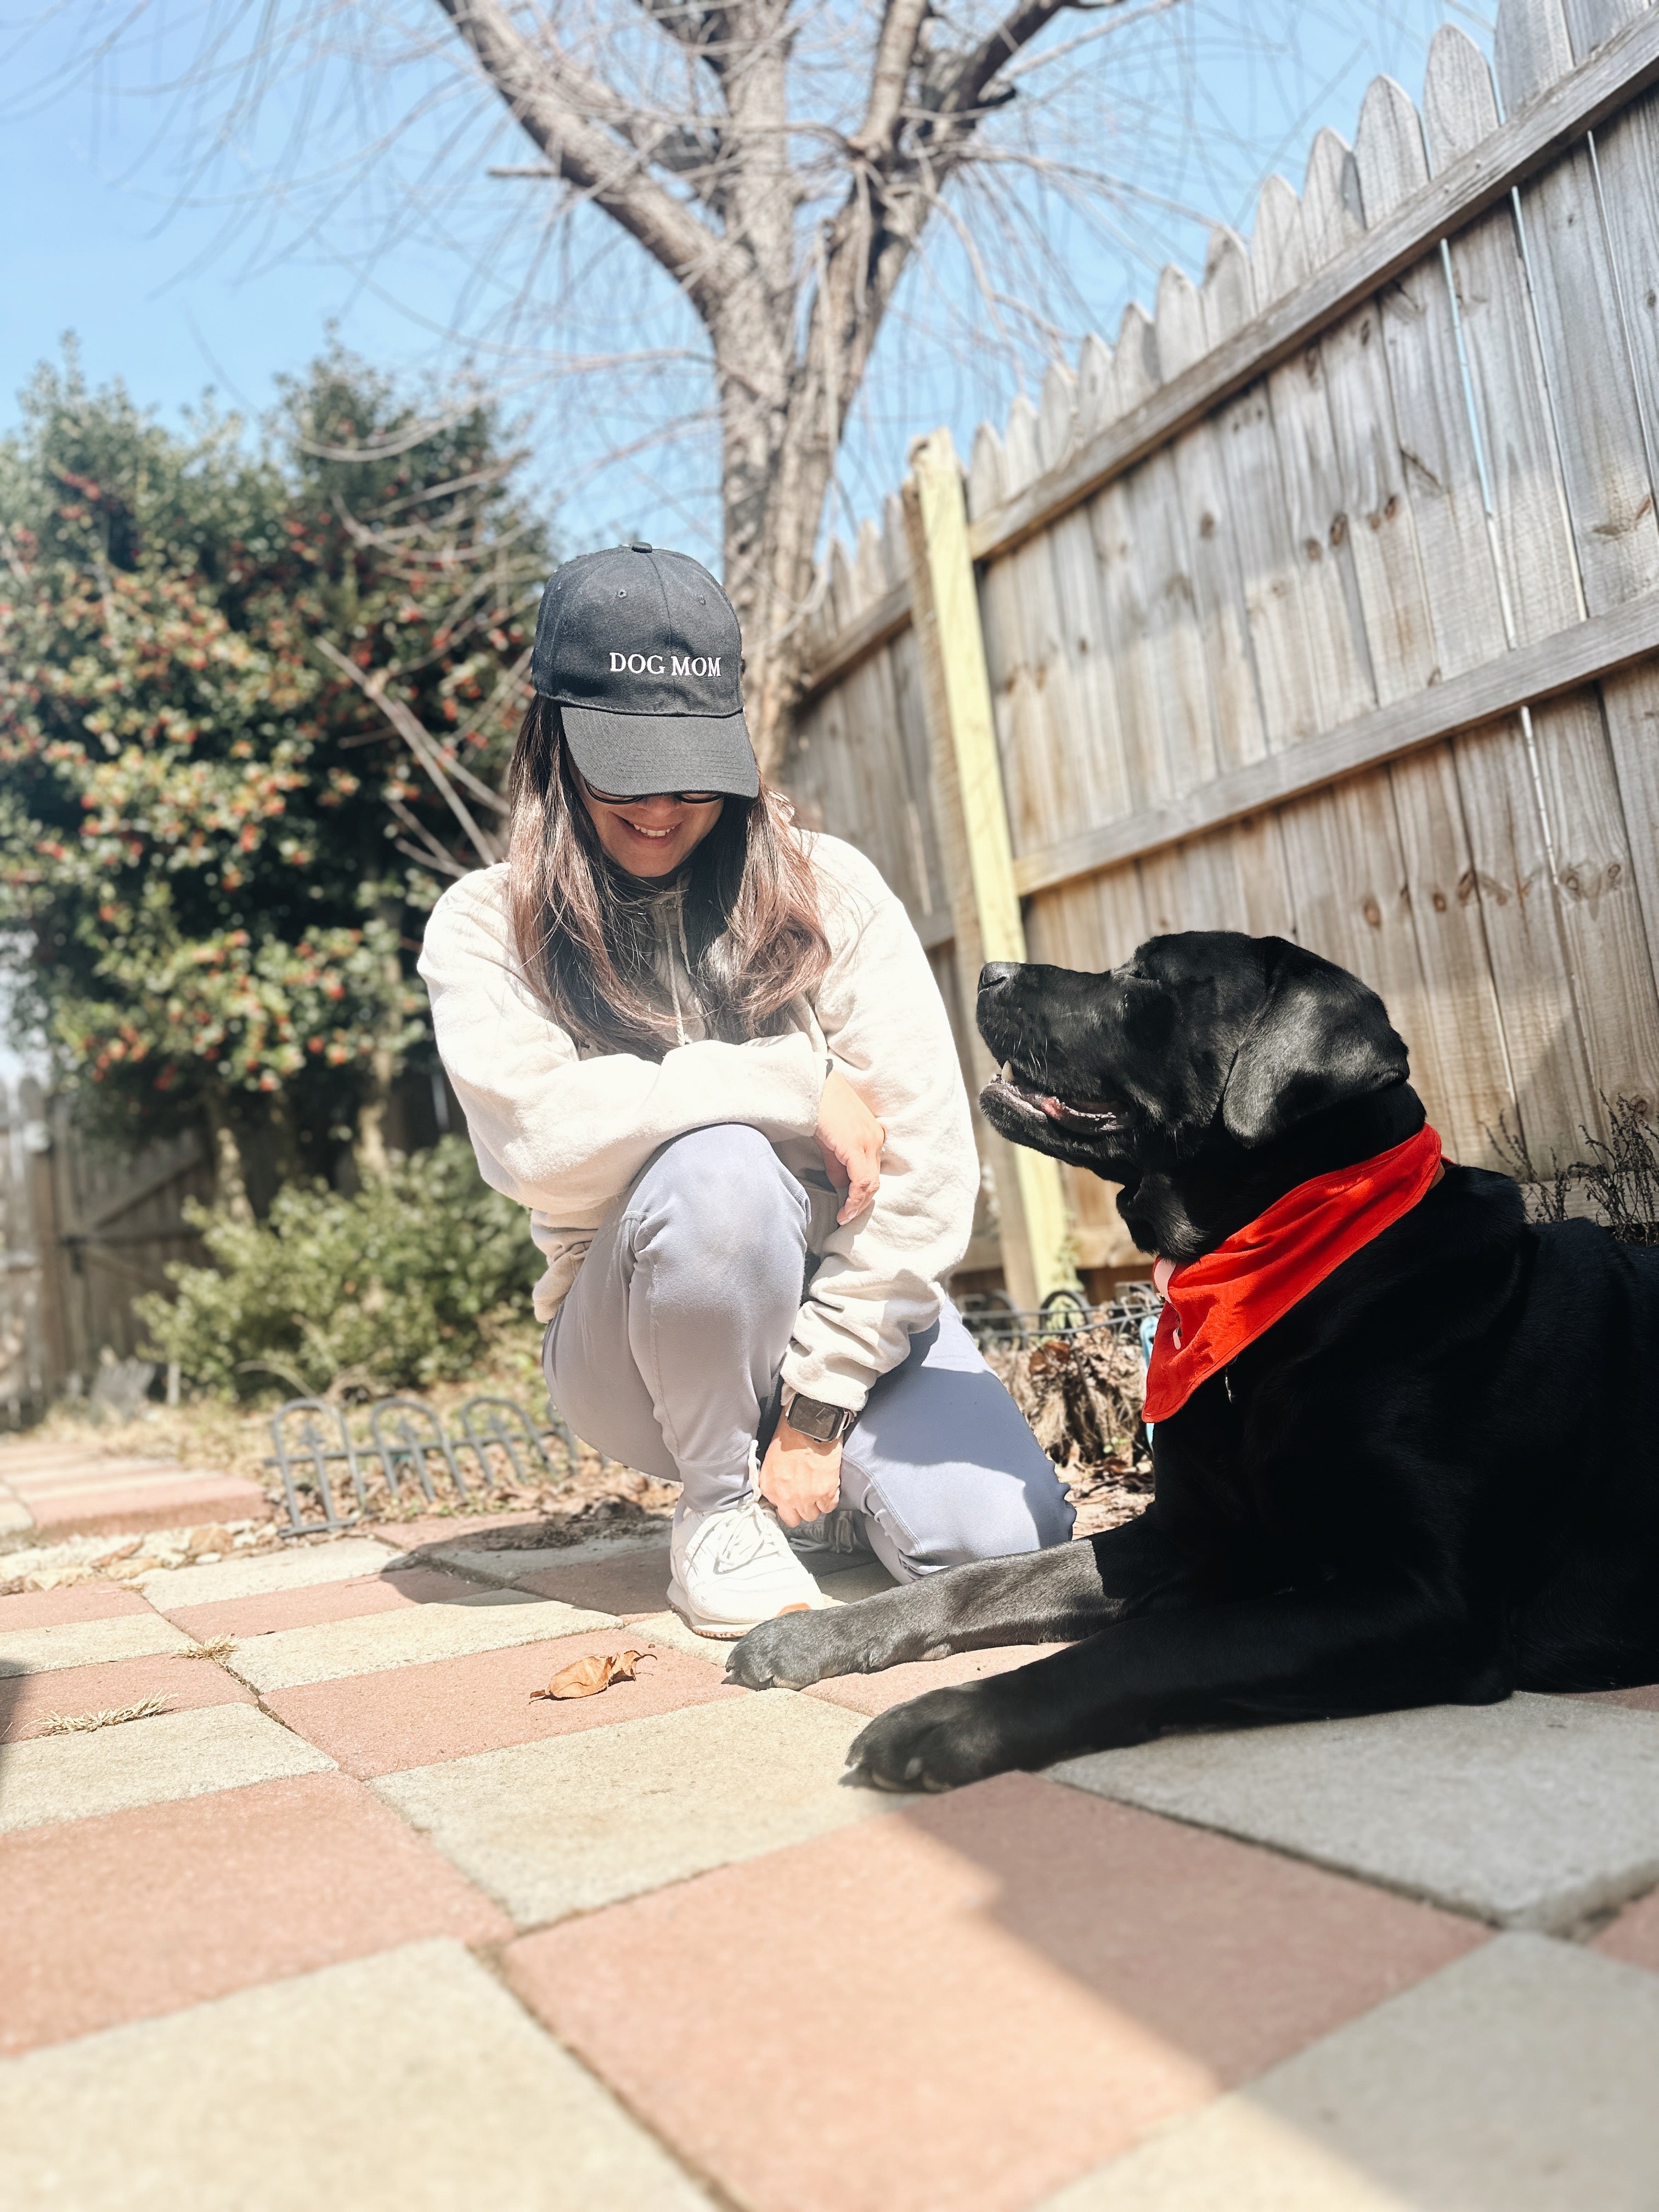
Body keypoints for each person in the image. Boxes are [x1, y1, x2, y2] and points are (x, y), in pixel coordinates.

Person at [419, 543, 1073, 1637]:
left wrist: (819, 1409)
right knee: (720, 1167)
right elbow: (539, 1144)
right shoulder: (489, 924)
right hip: (637, 1340)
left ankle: (803, 1490)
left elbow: (926, 1169)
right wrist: (792, 1085)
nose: (664, 807)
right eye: (628, 768)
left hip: (845, 1308)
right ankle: (718, 1508)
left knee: (1003, 1545)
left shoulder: (831, 887)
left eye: (694, 772)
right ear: (555, 741)